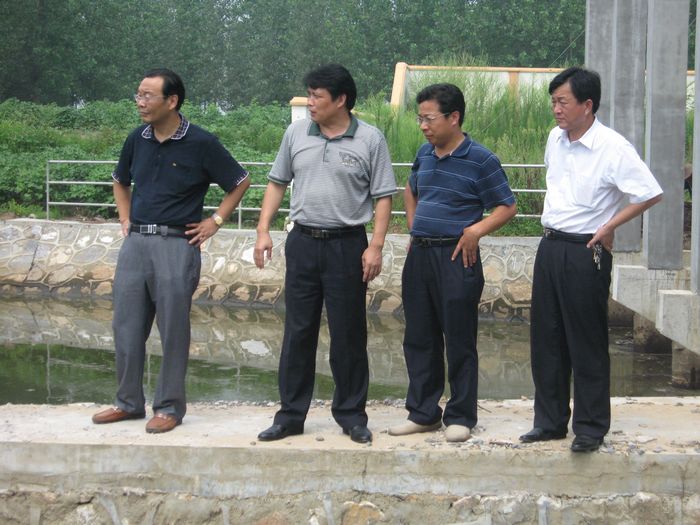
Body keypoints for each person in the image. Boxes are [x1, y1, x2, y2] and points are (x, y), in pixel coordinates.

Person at [92, 68, 250, 433]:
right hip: (136, 244)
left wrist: (215, 221)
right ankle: (128, 402)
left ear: (172, 100)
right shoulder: (137, 139)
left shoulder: (201, 142)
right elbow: (120, 181)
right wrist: (125, 219)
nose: (140, 102)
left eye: (148, 96)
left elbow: (240, 181)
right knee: (126, 326)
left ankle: (169, 407)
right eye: (138, 95)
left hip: (177, 244)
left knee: (173, 328)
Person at [520, 67, 663, 452]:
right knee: (546, 338)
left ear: (587, 104)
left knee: (586, 340)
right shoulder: (555, 139)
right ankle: (549, 422)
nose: (556, 109)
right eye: (553, 102)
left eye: (562, 102)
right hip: (550, 246)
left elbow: (649, 192)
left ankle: (590, 427)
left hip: (586, 250)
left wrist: (610, 224)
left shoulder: (612, 147)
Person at [254, 64, 397, 444]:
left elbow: (384, 196)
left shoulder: (370, 139)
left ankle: (351, 415)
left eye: (317, 96)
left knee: (348, 333)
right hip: (302, 242)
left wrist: (375, 246)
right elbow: (276, 182)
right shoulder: (296, 133)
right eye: (309, 94)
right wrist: (263, 229)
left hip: (347, 246)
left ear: (341, 100)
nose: (310, 102)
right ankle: (290, 416)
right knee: (297, 331)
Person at [388, 83, 517, 442]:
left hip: (457, 257)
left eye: (429, 119)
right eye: (420, 119)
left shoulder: (481, 159)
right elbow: (410, 189)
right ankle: (423, 413)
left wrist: (475, 231)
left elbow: (507, 206)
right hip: (420, 255)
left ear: (454, 117)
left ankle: (461, 415)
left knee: (459, 338)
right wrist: (414, 226)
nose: (423, 126)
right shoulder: (424, 153)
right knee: (419, 337)